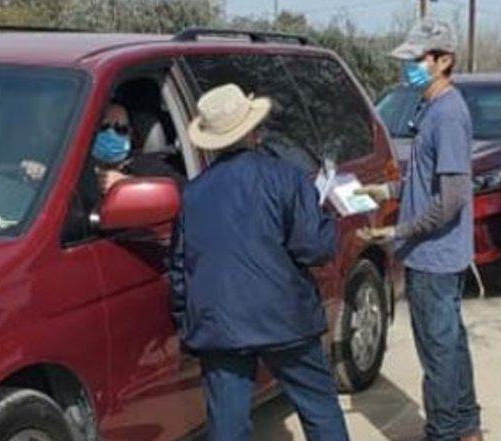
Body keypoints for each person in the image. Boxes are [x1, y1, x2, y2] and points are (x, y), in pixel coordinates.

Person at [170, 84, 349, 441]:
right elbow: (315, 249)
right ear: (253, 131)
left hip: (220, 324)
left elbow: (180, 270)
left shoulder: (192, 194)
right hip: (285, 318)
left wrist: (185, 322)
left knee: (227, 427)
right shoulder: (286, 178)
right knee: (319, 410)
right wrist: (327, 217)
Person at [357, 19, 482, 441]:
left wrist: (399, 232)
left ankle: (445, 431)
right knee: (451, 347)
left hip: (434, 256)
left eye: (416, 59)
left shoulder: (448, 115)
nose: (407, 67)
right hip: (432, 253)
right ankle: (465, 427)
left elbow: (451, 199)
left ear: (443, 60)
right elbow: (427, 177)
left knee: (439, 354)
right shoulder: (431, 108)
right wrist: (388, 189)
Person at [92, 101, 187, 191]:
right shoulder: (80, 158)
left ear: (130, 135)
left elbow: (184, 191)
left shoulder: (148, 166)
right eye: (103, 126)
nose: (111, 134)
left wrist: (126, 183)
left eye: (121, 129)